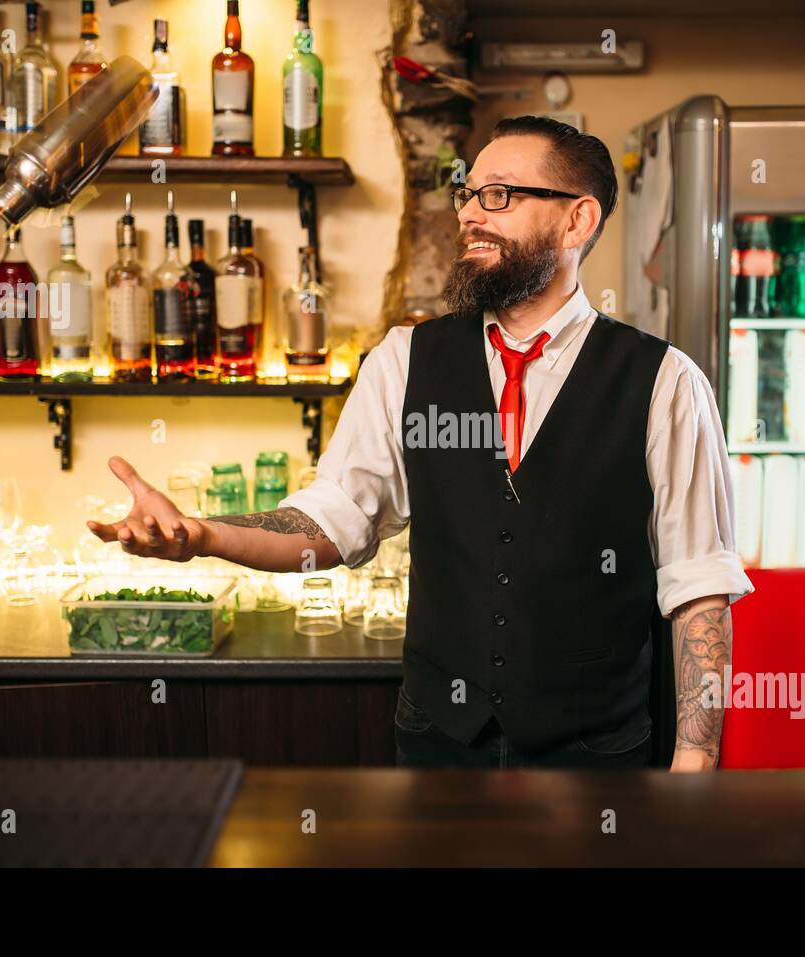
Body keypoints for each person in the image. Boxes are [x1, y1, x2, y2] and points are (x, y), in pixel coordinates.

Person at [88, 115, 753, 771]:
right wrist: (202, 535)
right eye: (468, 194)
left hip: (596, 758)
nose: (469, 214)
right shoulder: (406, 360)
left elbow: (699, 591)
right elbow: (330, 522)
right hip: (440, 747)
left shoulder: (665, 382)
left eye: (499, 195)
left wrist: (695, 761)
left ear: (577, 220)